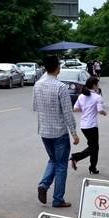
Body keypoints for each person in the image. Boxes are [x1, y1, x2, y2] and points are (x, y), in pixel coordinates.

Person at [33, 56, 80, 208]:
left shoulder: (37, 85)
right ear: (57, 68)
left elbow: (35, 106)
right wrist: (74, 133)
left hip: (44, 131)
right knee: (61, 165)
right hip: (59, 132)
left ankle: (44, 185)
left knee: (53, 160)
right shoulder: (61, 87)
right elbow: (67, 112)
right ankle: (58, 199)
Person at [70, 76, 106, 175]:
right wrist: (104, 113)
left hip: (83, 126)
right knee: (94, 147)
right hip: (92, 126)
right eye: (97, 84)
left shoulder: (81, 96)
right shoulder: (97, 97)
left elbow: (75, 109)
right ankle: (76, 157)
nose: (98, 86)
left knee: (94, 146)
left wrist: (85, 109)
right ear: (94, 85)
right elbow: (99, 110)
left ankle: (93, 167)